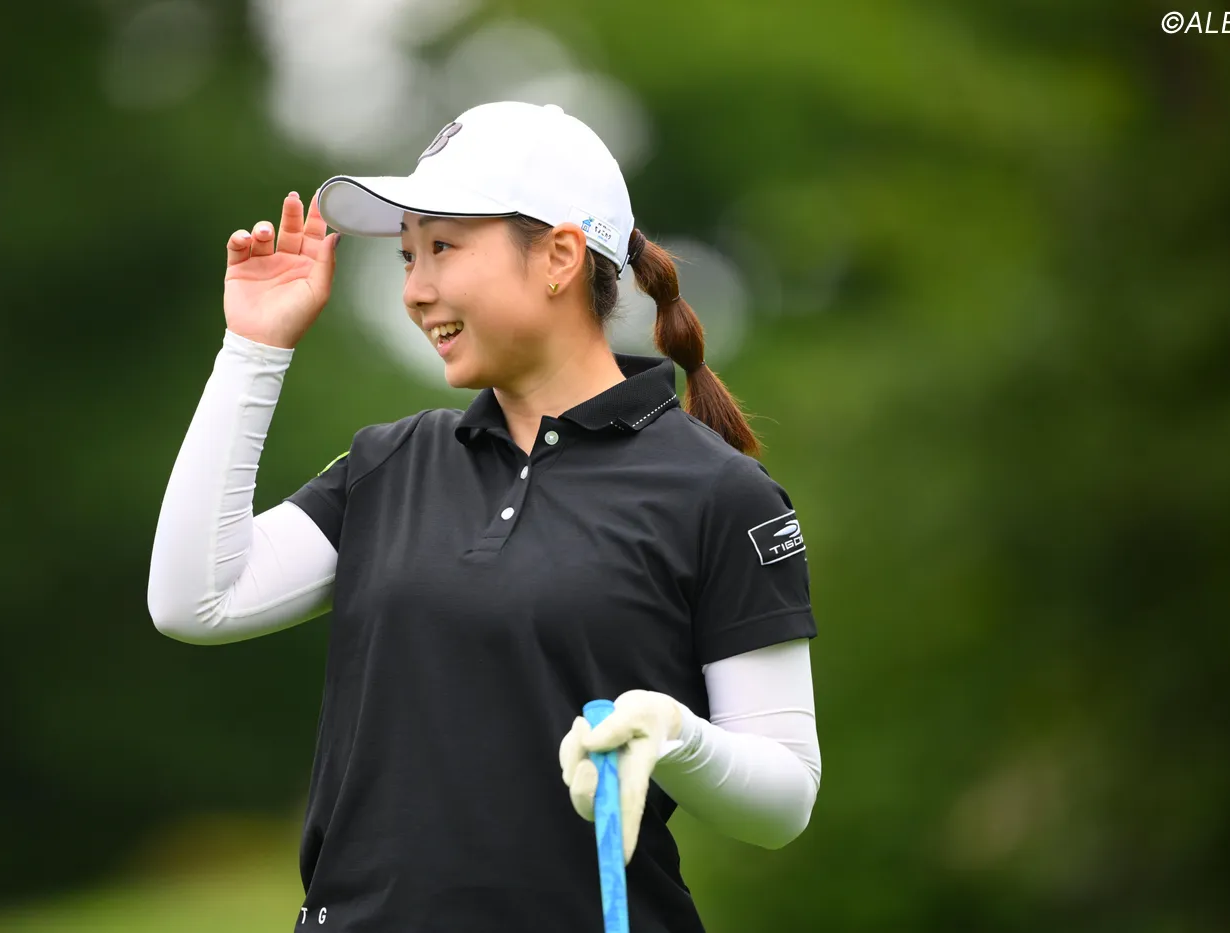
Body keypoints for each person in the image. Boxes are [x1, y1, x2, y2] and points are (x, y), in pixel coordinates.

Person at [147, 100, 821, 933]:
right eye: (407, 256)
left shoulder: (719, 493)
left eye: (444, 248)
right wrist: (255, 346)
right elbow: (194, 599)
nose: (415, 290)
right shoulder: (391, 463)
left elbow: (784, 797)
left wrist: (675, 735)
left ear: (559, 257)